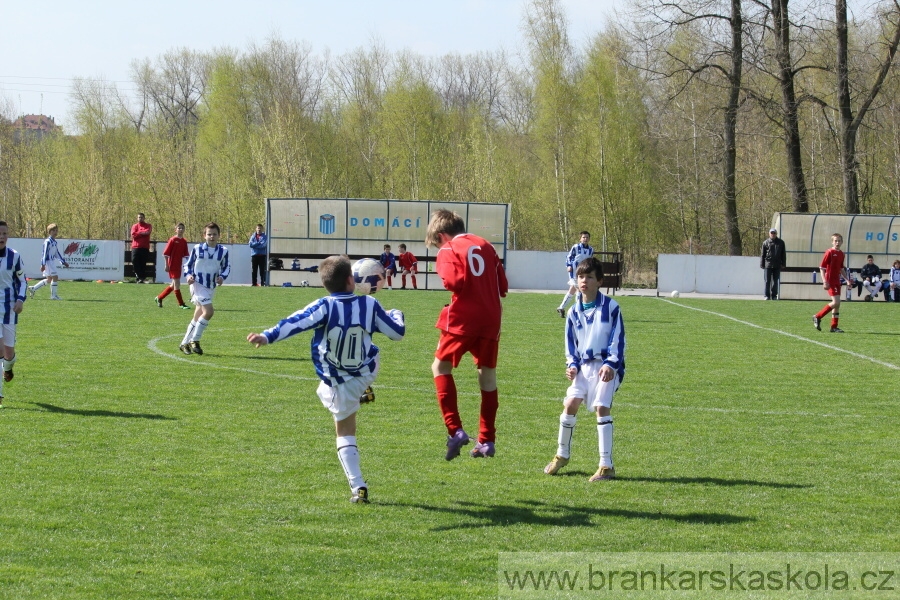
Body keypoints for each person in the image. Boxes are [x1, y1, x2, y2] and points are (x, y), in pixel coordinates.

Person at [247, 255, 405, 503]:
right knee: (338, 381)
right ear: (352, 280)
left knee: (344, 431)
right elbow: (397, 334)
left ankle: (358, 487)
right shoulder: (370, 305)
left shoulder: (324, 305)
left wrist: (267, 336)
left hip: (338, 381)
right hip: (367, 370)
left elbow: (295, 322)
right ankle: (363, 389)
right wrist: (397, 313)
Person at [426, 209, 508, 460]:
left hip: (463, 318)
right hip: (492, 318)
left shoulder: (448, 249)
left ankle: (455, 430)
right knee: (488, 377)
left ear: (442, 235)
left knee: (440, 368)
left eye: (436, 242)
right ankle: (486, 439)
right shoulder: (486, 245)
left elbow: (453, 282)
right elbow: (503, 286)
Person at [544, 256, 625, 481]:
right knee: (570, 404)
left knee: (601, 407)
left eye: (590, 277)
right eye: (581, 276)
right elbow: (571, 345)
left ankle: (606, 466)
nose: (584, 281)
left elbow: (618, 340)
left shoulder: (611, 307)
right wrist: (571, 365)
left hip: (606, 367)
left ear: (600, 281)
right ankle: (562, 455)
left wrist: (611, 364)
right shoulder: (573, 312)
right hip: (583, 367)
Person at [179, 222, 230, 355]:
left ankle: (184, 343)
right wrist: (189, 275)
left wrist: (222, 277)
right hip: (197, 284)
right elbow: (188, 265)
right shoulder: (197, 248)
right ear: (204, 235)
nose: (211, 237)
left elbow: (226, 267)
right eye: (209, 234)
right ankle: (195, 340)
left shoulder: (223, 251)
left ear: (219, 235)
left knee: (198, 316)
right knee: (209, 311)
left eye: (214, 234)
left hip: (211, 285)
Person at [0, 221, 27, 408]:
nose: (2, 237)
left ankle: (8, 369)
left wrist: (20, 300)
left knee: (8, 354)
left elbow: (22, 281)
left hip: (9, 310)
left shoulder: (14, 256)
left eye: (5, 233)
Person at [813, 233, 850, 333]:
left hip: (837, 281)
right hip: (830, 281)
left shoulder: (842, 254)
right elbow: (822, 268)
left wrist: (847, 280)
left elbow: (841, 268)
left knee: (837, 305)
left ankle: (834, 327)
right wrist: (824, 281)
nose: (837, 242)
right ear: (832, 242)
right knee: (836, 302)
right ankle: (818, 316)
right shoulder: (829, 252)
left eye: (839, 241)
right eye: (835, 241)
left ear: (842, 242)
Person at [28, 223, 69, 300]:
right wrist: (43, 264)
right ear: (50, 232)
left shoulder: (54, 242)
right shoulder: (48, 241)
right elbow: (44, 253)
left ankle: (33, 288)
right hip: (48, 262)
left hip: (51, 262)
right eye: (54, 230)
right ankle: (53, 296)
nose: (55, 232)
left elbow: (57, 253)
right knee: (55, 277)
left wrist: (63, 262)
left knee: (49, 279)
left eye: (56, 230)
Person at [557, 231, 594, 317]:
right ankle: (578, 310)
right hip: (574, 271)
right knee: (578, 289)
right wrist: (569, 265)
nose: (585, 239)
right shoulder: (576, 247)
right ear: (580, 239)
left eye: (587, 237)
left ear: (589, 239)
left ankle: (561, 307)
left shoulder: (591, 249)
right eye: (583, 237)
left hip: (584, 272)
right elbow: (569, 257)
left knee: (573, 290)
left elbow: (590, 260)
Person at [156, 223, 190, 309]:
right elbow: (165, 254)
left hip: (179, 265)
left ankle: (159, 298)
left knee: (173, 285)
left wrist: (190, 264)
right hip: (172, 265)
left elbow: (186, 255)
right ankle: (181, 304)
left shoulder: (184, 241)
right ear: (176, 229)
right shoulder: (172, 240)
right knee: (177, 284)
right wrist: (166, 265)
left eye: (182, 228)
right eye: (179, 228)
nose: (181, 230)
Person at [760, 228, 786, 300]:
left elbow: (783, 254)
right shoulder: (765, 242)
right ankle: (767, 295)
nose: (773, 234)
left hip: (777, 264)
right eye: (771, 233)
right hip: (768, 264)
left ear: (776, 234)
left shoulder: (781, 242)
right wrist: (762, 264)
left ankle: (774, 295)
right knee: (767, 281)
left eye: (774, 233)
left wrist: (783, 263)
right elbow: (763, 254)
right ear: (769, 234)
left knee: (775, 281)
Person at [130, 213, 153, 283]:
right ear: (137, 218)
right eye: (139, 217)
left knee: (143, 263)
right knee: (134, 261)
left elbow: (148, 232)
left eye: (142, 217)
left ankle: (141, 278)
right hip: (135, 247)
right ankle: (140, 277)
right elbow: (133, 235)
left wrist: (138, 233)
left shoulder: (148, 225)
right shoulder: (134, 226)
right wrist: (142, 233)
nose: (140, 218)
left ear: (144, 218)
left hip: (144, 247)